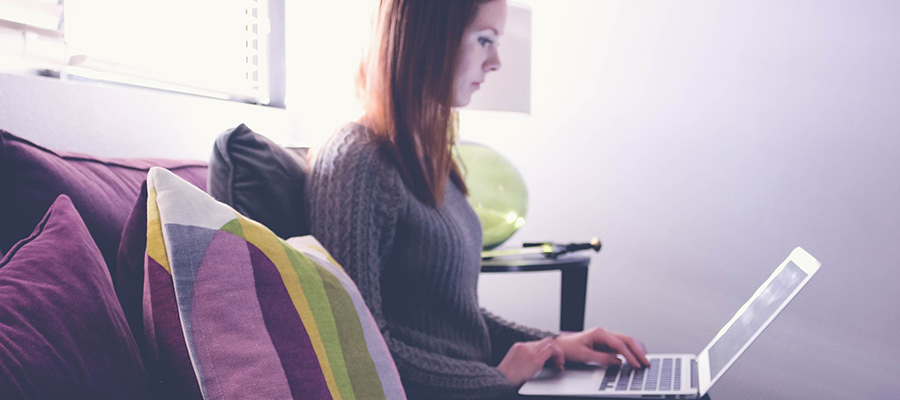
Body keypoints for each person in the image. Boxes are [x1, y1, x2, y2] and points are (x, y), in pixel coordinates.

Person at [306, 0, 650, 398]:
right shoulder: (357, 159)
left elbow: (453, 323)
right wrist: (497, 380)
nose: (496, 62)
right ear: (428, 39)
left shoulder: (427, 157)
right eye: (485, 40)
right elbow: (355, 347)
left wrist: (555, 343)